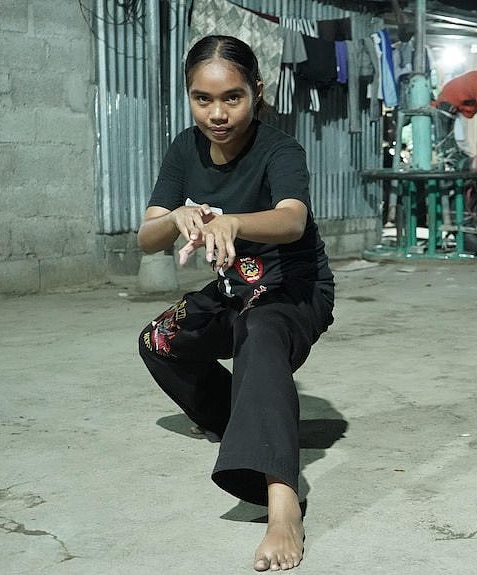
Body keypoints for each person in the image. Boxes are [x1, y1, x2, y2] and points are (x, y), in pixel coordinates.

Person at [136, 35, 335, 572]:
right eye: (203, 99)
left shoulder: (279, 150)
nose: (217, 113)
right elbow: (145, 238)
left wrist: (234, 221)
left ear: (257, 92)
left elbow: (291, 220)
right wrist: (173, 218)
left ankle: (283, 504)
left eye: (233, 98)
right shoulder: (185, 148)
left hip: (292, 289)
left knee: (260, 337)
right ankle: (245, 423)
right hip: (233, 290)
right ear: (189, 97)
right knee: (158, 340)